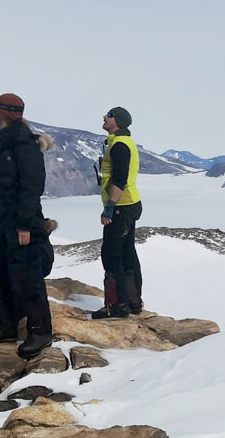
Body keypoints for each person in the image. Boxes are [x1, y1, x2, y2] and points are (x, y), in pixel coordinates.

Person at [0, 93, 56, 359]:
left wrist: (24, 225)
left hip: (20, 222)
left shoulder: (24, 144)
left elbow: (31, 188)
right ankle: (4, 326)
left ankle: (40, 332)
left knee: (26, 278)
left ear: (6, 112)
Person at [91, 106, 145, 319]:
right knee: (127, 253)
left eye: (109, 115)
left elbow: (119, 178)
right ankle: (132, 301)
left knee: (111, 255)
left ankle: (116, 305)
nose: (104, 116)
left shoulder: (119, 145)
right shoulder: (122, 142)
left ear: (118, 121)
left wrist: (110, 206)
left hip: (121, 207)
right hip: (130, 204)